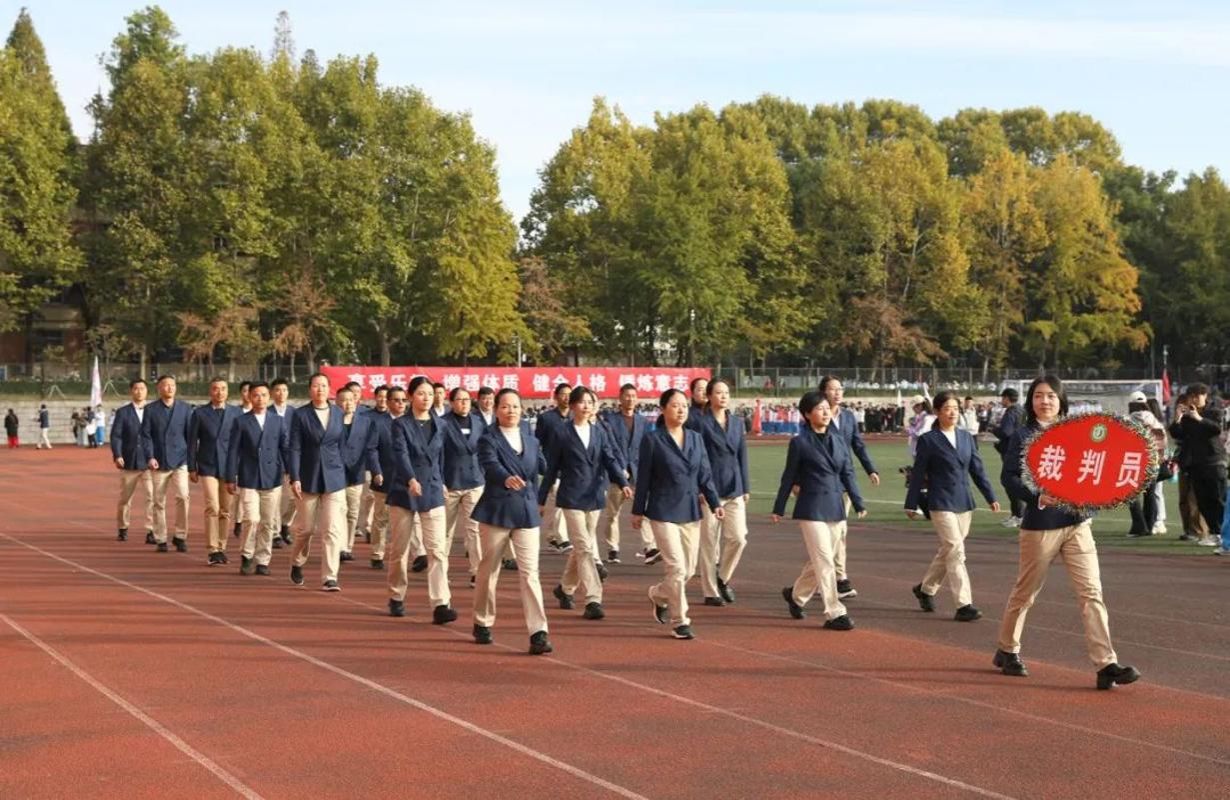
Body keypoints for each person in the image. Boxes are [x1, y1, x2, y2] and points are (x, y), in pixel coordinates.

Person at [996, 375, 1140, 690]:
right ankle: (1007, 649)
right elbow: (1009, 477)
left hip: (1078, 523)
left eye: (1050, 395)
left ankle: (1106, 664)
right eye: (1038, 396)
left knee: (1091, 593)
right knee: (1026, 593)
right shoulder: (1023, 436)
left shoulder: (1079, 432)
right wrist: (1036, 496)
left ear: (1061, 400)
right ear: (1030, 401)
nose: (1044, 401)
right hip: (1040, 527)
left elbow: (1097, 466)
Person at [634, 388, 723, 640]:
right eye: (675, 405)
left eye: (684, 405)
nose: (681, 409)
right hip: (662, 510)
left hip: (690, 510)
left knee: (689, 570)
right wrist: (638, 511)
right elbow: (644, 478)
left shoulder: (696, 438)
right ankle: (680, 621)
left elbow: (705, 473)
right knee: (676, 567)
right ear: (663, 409)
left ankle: (658, 594)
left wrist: (715, 502)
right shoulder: (653, 440)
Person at [471, 388, 553, 654]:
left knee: (530, 573)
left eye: (515, 406)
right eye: (505, 406)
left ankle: (538, 631)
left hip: (526, 511)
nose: (511, 411)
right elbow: (490, 465)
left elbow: (541, 468)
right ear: (496, 410)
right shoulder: (488, 439)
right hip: (496, 510)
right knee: (489, 570)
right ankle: (483, 620)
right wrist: (505, 477)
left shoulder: (531, 441)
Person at [774, 393, 865, 631]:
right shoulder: (799, 443)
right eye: (819, 409)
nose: (825, 412)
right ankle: (834, 612)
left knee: (821, 560)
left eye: (827, 408)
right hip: (811, 507)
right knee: (824, 559)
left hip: (835, 505)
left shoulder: (839, 441)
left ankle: (796, 596)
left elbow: (848, 473)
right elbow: (788, 476)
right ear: (807, 414)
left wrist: (858, 502)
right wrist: (779, 507)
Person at [905, 391, 999, 621]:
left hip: (963, 501)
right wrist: (911, 503)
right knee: (956, 550)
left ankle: (925, 589)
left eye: (956, 408)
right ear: (937, 411)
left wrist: (990, 496)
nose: (952, 412)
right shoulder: (928, 440)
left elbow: (977, 469)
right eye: (947, 408)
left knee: (949, 550)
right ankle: (963, 604)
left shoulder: (966, 438)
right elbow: (918, 473)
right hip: (940, 501)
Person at [544, 386, 631, 620]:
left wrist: (622, 481)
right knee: (584, 547)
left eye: (590, 402)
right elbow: (552, 467)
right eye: (582, 402)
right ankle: (593, 598)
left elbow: (609, 459)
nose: (587, 406)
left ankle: (565, 589)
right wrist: (542, 499)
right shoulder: (562, 432)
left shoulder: (599, 431)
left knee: (581, 548)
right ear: (573, 405)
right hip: (571, 496)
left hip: (594, 496)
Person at [386, 376, 456, 624]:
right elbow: (400, 454)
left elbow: (442, 457)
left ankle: (441, 603)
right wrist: (410, 479)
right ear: (410, 396)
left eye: (430, 394)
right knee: (400, 549)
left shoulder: (442, 425)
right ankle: (396, 595)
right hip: (404, 489)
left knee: (437, 550)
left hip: (433, 489)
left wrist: (443, 481)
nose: (426, 398)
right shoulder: (400, 425)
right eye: (421, 393)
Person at [817, 376, 880, 600]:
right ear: (823, 392)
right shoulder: (816, 416)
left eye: (840, 389)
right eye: (833, 389)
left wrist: (870, 469)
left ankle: (838, 578)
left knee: (840, 531)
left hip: (845, 481)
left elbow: (858, 445)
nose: (838, 393)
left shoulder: (848, 417)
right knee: (829, 533)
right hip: (823, 481)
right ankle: (829, 577)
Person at [287, 373, 349, 591]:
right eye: (315, 386)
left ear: (329, 389)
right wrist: (294, 477)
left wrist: (343, 470)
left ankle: (330, 577)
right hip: (308, 475)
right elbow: (294, 447)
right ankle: (297, 561)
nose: (320, 389)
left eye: (323, 385)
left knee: (332, 529)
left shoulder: (338, 413)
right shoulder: (300, 415)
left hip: (334, 476)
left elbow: (342, 444)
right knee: (306, 529)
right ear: (309, 389)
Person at [226, 382, 291, 576]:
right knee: (251, 519)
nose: (260, 399)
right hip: (249, 476)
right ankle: (247, 555)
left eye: (263, 395)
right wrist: (230, 476)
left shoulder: (278, 421)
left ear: (269, 397)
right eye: (255, 395)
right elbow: (233, 451)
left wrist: (292, 473)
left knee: (268, 522)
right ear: (249, 397)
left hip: (272, 477)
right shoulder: (241, 421)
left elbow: (285, 449)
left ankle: (263, 560)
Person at [695, 378, 750, 607]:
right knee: (709, 542)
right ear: (709, 396)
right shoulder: (700, 423)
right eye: (718, 392)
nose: (724, 396)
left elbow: (742, 455)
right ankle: (710, 592)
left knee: (738, 538)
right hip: (710, 489)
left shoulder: (736, 422)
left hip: (734, 487)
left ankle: (723, 577)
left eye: (726, 392)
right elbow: (696, 457)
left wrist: (745, 487)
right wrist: (699, 487)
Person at [187, 377, 243, 566]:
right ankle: (212, 549)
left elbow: (240, 443)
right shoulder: (200, 413)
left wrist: (239, 467)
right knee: (212, 506)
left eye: (223, 388)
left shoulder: (236, 413)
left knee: (226, 510)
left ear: (228, 391)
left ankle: (221, 547)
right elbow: (192, 442)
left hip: (229, 466)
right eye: (216, 389)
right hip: (207, 464)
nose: (219, 392)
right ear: (210, 391)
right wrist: (192, 466)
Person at [598, 383, 651, 565]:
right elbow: (609, 447)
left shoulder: (643, 422)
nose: (630, 399)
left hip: (638, 473)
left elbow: (646, 447)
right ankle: (613, 548)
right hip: (616, 474)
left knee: (645, 511)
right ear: (620, 398)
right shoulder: (610, 420)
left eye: (633, 396)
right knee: (613, 514)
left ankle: (649, 547)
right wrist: (619, 468)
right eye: (627, 395)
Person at [1168, 383, 1225, 548]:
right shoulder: (1187, 416)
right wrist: (1178, 417)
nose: (1193, 399)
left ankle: (1224, 533)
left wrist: (1198, 417)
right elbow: (1177, 434)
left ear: (1205, 396)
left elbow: (1216, 429)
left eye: (1197, 396)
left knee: (1218, 500)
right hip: (1195, 464)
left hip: (1214, 462)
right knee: (1202, 501)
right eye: (1191, 396)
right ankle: (1215, 533)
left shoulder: (1214, 411)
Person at [440, 387, 486, 584]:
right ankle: (441, 572)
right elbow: (438, 454)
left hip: (474, 481)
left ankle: (477, 571)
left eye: (467, 399)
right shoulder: (443, 424)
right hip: (450, 482)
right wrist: (440, 480)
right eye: (459, 399)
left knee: (474, 528)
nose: (464, 403)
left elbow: (485, 450)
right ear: (451, 403)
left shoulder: (478, 422)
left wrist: (484, 474)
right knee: (445, 531)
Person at [142, 375, 193, 553]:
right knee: (158, 501)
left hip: (180, 460)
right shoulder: (150, 409)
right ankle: (161, 538)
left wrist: (191, 459)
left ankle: (180, 535)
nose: (170, 388)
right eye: (166, 385)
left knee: (183, 496)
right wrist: (150, 456)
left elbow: (190, 436)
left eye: (172, 385)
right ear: (159, 388)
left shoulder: (185, 408)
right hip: (159, 461)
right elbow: (146, 435)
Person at [336, 386, 382, 564]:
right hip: (335, 473)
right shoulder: (332, 421)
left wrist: (375, 470)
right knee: (338, 510)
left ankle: (348, 547)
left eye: (351, 399)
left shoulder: (365, 422)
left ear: (356, 401)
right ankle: (338, 547)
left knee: (352, 511)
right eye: (343, 400)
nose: (348, 403)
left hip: (356, 472)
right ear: (337, 402)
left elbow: (370, 448)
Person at [368, 386, 411, 570]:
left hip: (408, 479)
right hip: (385, 477)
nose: (401, 403)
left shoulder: (411, 422)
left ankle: (416, 554)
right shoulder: (378, 423)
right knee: (381, 519)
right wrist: (376, 471)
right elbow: (372, 449)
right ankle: (377, 554)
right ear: (388, 402)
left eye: (403, 400)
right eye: (396, 400)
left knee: (410, 519)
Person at [111, 379, 154, 542]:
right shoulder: (123, 412)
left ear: (147, 391)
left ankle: (151, 530)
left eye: (142, 388)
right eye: (136, 388)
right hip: (129, 461)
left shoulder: (154, 411)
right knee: (125, 498)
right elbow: (116, 436)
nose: (139, 391)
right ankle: (123, 527)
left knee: (152, 496)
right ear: (131, 391)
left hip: (149, 462)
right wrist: (118, 454)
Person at [533, 382, 574, 553]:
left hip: (570, 468)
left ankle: (552, 536)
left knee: (560, 504)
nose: (566, 397)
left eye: (569, 394)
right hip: (551, 467)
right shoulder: (546, 418)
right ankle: (562, 539)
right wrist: (542, 465)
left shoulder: (575, 417)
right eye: (563, 394)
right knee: (560, 502)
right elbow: (537, 444)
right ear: (556, 397)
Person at [1126, 391, 1167, 538]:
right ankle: (1149, 526)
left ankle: (1139, 526)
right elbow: (1163, 440)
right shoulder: (1154, 420)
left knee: (1129, 494)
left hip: (1135, 462)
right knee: (1150, 495)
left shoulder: (1130, 419)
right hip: (1153, 462)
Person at [356, 385, 389, 543]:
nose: (383, 399)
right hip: (368, 463)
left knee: (379, 500)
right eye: (380, 396)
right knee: (369, 496)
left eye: (386, 397)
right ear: (375, 398)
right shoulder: (366, 416)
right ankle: (367, 526)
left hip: (387, 464)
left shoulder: (393, 417)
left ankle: (371, 526)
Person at [991, 387, 1025, 527]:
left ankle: (1018, 515)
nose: (1001, 400)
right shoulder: (1022, 410)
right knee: (1018, 483)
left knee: (1010, 483)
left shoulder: (1011, 412)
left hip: (1011, 452)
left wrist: (994, 429)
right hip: (1022, 451)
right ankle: (1017, 514)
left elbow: (1006, 432)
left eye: (1003, 397)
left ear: (1007, 398)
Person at [270, 377, 295, 548]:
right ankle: (275, 533)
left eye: (284, 390)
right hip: (273, 461)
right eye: (278, 390)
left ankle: (286, 523)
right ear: (272, 393)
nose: (281, 393)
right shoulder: (267, 412)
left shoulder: (295, 413)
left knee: (295, 498)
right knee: (274, 499)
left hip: (292, 461)